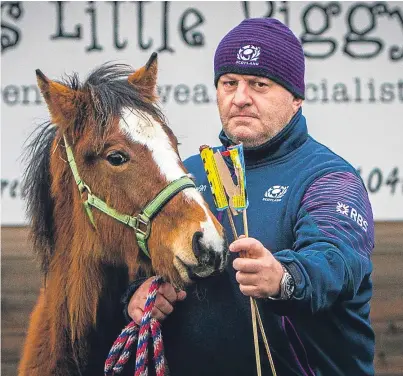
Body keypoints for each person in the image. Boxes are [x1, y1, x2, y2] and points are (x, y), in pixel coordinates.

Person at [123, 18, 375, 376]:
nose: (240, 98)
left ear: (296, 97)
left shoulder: (329, 177)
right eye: (229, 83)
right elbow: (140, 262)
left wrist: (284, 277)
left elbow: (337, 261)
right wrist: (137, 294)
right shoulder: (186, 175)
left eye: (259, 84)